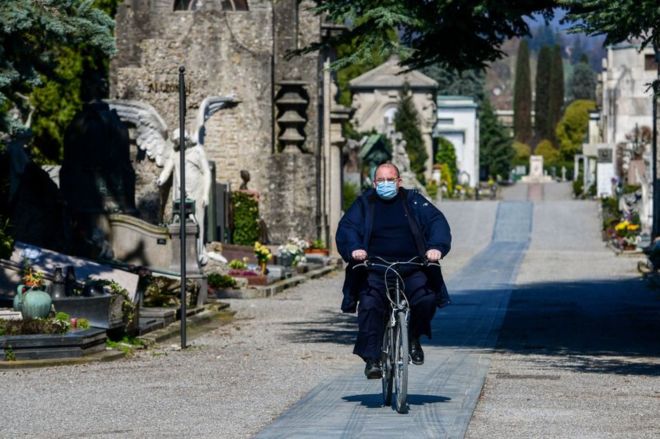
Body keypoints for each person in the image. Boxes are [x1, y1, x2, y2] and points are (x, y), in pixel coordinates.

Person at [336, 163, 451, 379]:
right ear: (374, 183)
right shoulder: (364, 203)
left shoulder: (413, 200)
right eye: (381, 180)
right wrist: (354, 249)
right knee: (369, 304)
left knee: (426, 299)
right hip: (375, 268)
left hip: (412, 266)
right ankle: (373, 359)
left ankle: (414, 337)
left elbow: (437, 222)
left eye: (390, 180)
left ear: (399, 182)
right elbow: (348, 227)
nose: (385, 184)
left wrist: (436, 247)